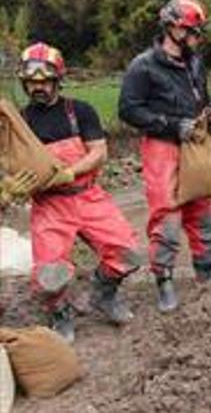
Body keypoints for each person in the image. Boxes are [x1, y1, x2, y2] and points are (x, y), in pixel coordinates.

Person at [16, 42, 142, 342]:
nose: (38, 88)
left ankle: (103, 293)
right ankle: (60, 313)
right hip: (49, 205)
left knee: (127, 252)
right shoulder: (20, 123)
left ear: (57, 79)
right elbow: (13, 162)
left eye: (44, 81)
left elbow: (98, 152)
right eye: (31, 83)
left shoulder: (79, 111)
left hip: (87, 195)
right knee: (50, 273)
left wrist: (70, 172)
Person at [119, 0, 211, 312]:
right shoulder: (143, 66)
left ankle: (209, 276)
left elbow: (202, 95)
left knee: (202, 212)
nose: (196, 37)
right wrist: (173, 125)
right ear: (172, 28)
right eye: (192, 31)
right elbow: (129, 110)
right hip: (162, 146)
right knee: (167, 217)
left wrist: (209, 116)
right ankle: (164, 281)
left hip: (195, 143)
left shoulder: (195, 62)